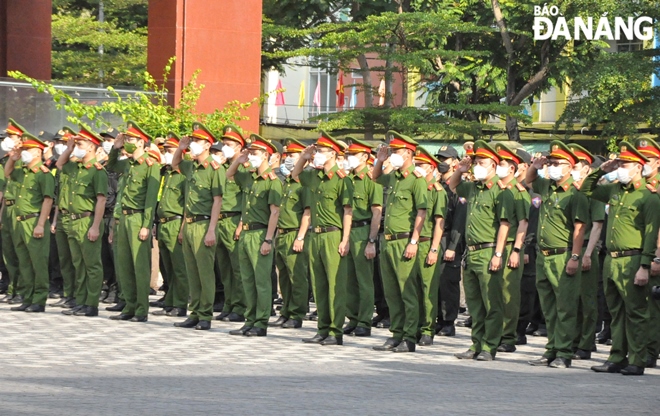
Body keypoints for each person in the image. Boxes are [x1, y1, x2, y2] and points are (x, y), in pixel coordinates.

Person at [584, 143, 660, 376]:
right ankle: (617, 356)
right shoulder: (615, 190)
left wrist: (645, 265)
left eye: (624, 164)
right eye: (619, 164)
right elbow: (588, 189)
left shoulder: (648, 197)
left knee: (636, 312)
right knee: (615, 311)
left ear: (638, 167)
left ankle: (637, 360)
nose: (620, 168)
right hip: (612, 259)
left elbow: (650, 234)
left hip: (634, 259)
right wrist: (601, 170)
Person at [525, 141, 589, 368]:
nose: (552, 166)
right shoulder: (547, 187)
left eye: (557, 163)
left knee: (565, 307)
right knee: (549, 307)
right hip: (543, 255)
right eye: (550, 162)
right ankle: (551, 348)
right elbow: (528, 180)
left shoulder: (575, 194)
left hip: (563, 256)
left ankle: (564, 352)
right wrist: (537, 164)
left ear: (570, 167)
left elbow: (580, 229)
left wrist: (575, 257)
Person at [450, 141, 514, 361]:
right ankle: (476, 343)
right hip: (471, 252)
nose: (477, 166)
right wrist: (461, 169)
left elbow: (504, 225)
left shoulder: (501, 191)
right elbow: (453, 185)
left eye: (482, 162)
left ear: (494, 166)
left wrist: (498, 254)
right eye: (476, 162)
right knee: (475, 304)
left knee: (491, 303)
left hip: (488, 252)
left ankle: (489, 346)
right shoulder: (473, 187)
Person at [292, 131, 353, 346]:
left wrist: (345, 239)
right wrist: (304, 157)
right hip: (315, 235)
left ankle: (336, 331)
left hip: (333, 235)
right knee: (319, 285)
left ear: (334, 155)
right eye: (317, 150)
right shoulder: (314, 176)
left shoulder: (342, 179)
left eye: (321, 151)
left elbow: (347, 212)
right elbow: (295, 175)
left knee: (335, 285)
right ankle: (322, 328)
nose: (317, 154)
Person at [371, 131, 427, 353]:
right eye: (392, 151)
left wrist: (414, 241)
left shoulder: (417, 180)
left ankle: (410, 336)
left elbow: (421, 213)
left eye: (397, 152)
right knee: (392, 291)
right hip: (388, 241)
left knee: (407, 291)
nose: (393, 154)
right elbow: (375, 177)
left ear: (410, 154)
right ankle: (397, 333)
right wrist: (380, 159)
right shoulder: (393, 177)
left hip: (404, 240)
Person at [226, 135, 282, 337]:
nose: (251, 156)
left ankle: (261, 321)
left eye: (255, 153)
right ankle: (250, 319)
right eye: (250, 153)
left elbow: (275, 212)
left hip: (260, 233)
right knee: (247, 279)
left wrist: (268, 239)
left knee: (261, 281)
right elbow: (229, 175)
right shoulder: (249, 177)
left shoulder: (272, 182)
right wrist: (238, 160)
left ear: (266, 155)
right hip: (246, 232)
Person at [106, 121, 161, 322]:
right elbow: (110, 165)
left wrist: (147, 224)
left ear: (140, 142)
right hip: (123, 218)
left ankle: (140, 309)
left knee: (139, 265)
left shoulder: (150, 166)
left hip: (138, 218)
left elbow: (150, 199)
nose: (127, 142)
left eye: (130, 139)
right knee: (124, 265)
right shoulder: (126, 163)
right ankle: (128, 306)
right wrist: (116, 146)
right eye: (126, 138)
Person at [172, 123, 224, 330]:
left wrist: (211, 229)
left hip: (204, 224)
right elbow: (175, 164)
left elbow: (217, 201)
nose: (192, 144)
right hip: (191, 222)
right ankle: (194, 312)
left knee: (205, 272)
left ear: (207, 145)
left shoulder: (214, 169)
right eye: (191, 141)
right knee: (192, 271)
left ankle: (205, 315)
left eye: (196, 142)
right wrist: (180, 147)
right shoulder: (191, 165)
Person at [55, 126, 108, 317]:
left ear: (92, 147)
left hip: (87, 221)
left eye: (80, 143)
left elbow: (101, 199)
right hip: (71, 221)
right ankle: (81, 300)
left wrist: (95, 226)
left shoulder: (97, 171)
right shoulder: (74, 167)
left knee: (92, 265)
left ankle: (91, 304)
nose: (76, 146)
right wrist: (69, 149)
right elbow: (60, 165)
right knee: (78, 264)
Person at [5, 132, 55, 313]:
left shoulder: (44, 174)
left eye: (27, 149)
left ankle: (39, 299)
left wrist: (41, 224)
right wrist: (13, 158)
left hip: (33, 221)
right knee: (24, 261)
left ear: (37, 153)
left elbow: (47, 200)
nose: (24, 152)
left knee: (38, 262)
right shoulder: (22, 172)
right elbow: (7, 172)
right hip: (19, 222)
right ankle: (27, 297)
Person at [567, 144, 605, 360]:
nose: (572, 170)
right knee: (573, 299)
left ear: (586, 170)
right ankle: (573, 340)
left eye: (576, 166)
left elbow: (597, 225)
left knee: (587, 300)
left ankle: (586, 343)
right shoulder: (570, 191)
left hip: (587, 248)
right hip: (572, 248)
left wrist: (588, 254)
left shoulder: (594, 193)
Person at [342, 137, 383, 338]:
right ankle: (353, 317)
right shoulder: (346, 180)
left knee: (364, 280)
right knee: (349, 279)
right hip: (348, 231)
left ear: (365, 157)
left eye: (353, 155)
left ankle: (364, 321)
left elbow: (376, 213)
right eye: (347, 155)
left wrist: (371, 241)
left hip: (364, 230)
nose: (348, 158)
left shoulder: (371, 180)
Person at [494, 144, 530, 354]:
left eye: (502, 164)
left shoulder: (519, 193)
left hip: (510, 248)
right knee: (496, 293)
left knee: (509, 294)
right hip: (496, 246)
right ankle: (497, 332)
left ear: (512, 169)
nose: (498, 167)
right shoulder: (498, 191)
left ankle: (508, 336)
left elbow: (522, 224)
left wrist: (516, 250)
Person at [271, 138, 311, 329]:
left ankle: (297, 313)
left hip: (295, 233)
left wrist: (300, 236)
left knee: (297, 277)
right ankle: (286, 310)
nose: (288, 159)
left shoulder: (304, 183)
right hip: (282, 233)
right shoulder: (286, 182)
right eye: (287, 155)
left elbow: (308, 212)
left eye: (293, 156)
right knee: (284, 277)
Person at [413, 146, 447, 346]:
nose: (417, 168)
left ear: (431, 168)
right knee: (413, 289)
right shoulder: (415, 187)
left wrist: (434, 248)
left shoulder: (436, 191)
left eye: (421, 165)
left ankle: (427, 329)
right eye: (415, 165)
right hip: (413, 243)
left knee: (427, 290)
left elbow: (439, 223)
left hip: (427, 244)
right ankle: (415, 326)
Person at [151, 133, 188, 317]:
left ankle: (180, 304)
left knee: (179, 268)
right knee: (168, 268)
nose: (167, 154)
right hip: (164, 223)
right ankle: (170, 300)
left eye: (170, 150)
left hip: (176, 223)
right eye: (165, 150)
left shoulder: (182, 175)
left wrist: (182, 229)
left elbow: (187, 204)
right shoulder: (166, 173)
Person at [214, 124, 248, 322]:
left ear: (238, 147)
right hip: (220, 220)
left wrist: (242, 223)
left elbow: (247, 197)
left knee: (237, 268)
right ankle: (229, 303)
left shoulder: (245, 169)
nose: (224, 147)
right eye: (223, 143)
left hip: (235, 219)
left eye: (228, 144)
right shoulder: (225, 167)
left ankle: (240, 307)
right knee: (224, 267)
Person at [635, 138, 660, 368]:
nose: (643, 164)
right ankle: (648, 350)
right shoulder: (637, 187)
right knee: (646, 306)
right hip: (642, 252)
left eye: (648, 160)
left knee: (653, 307)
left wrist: (657, 256)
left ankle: (652, 350)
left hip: (655, 254)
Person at [434, 145, 464, 337]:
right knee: (436, 282)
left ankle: (448, 321)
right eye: (439, 158)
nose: (441, 162)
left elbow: (459, 219)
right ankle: (438, 318)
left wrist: (452, 246)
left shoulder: (458, 188)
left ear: (454, 162)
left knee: (448, 282)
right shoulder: (438, 186)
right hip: (436, 238)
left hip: (449, 239)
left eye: (445, 159)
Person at [50, 127, 79, 310]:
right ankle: (69, 294)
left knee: (78, 261)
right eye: (61, 144)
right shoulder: (66, 167)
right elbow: (60, 196)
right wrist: (54, 219)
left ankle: (78, 295)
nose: (63, 147)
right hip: (62, 216)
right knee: (65, 260)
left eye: (66, 143)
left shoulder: (80, 168)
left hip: (78, 218)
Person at [0, 118, 27, 305]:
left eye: (12, 136)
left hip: (20, 210)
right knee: (8, 253)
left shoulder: (24, 161)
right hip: (7, 209)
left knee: (21, 254)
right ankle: (13, 288)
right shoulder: (7, 160)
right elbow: (5, 186)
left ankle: (23, 289)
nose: (8, 139)